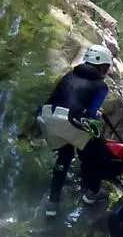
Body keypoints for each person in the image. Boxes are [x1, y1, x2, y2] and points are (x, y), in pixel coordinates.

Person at [40, 44, 115, 217]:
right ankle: (92, 193)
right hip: (70, 121)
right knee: (98, 151)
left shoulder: (69, 75)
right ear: (103, 66)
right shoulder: (100, 87)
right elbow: (90, 114)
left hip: (48, 118)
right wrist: (95, 116)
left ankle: (53, 202)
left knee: (64, 156)